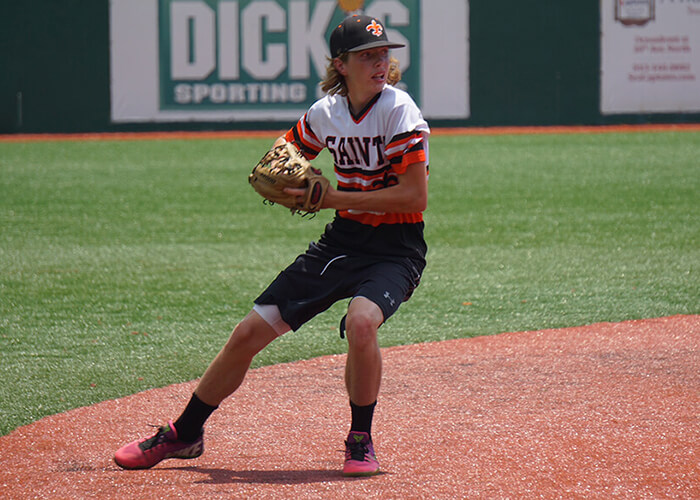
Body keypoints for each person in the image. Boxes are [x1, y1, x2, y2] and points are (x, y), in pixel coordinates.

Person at [114, 13, 430, 478]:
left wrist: (331, 196)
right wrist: (286, 181)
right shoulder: (326, 113)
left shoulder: (398, 109)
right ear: (340, 64)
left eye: (383, 54)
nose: (379, 63)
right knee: (247, 333)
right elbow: (277, 162)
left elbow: (414, 195)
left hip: (397, 246)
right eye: (366, 56)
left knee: (362, 321)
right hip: (343, 241)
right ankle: (185, 433)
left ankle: (359, 440)